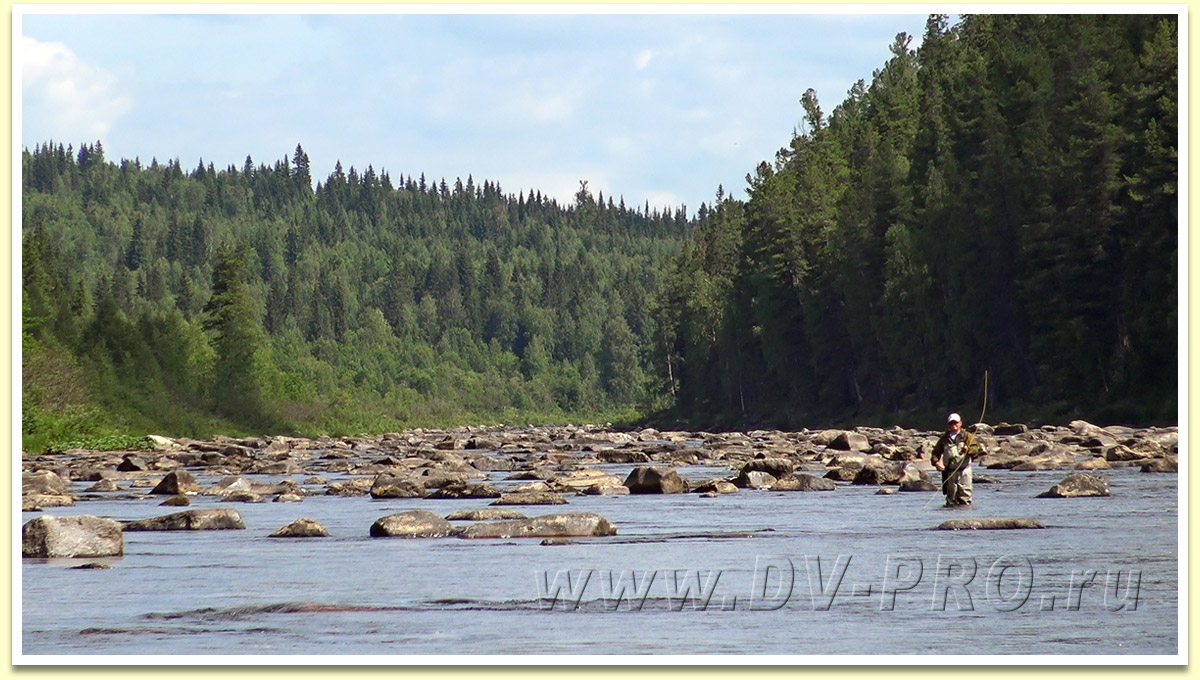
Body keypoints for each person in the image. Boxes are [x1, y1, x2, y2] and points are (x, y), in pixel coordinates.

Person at [931, 412, 982, 507]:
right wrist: (936, 462)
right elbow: (935, 453)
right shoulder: (944, 439)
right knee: (951, 500)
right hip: (950, 473)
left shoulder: (967, 436)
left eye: (956, 423)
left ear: (960, 423)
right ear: (948, 425)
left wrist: (968, 450)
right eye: (951, 423)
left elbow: (975, 450)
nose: (954, 425)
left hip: (964, 471)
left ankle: (964, 517)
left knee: (965, 498)